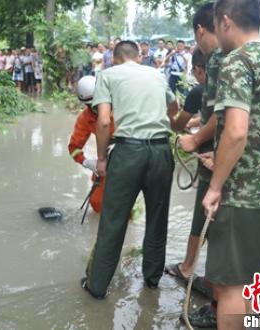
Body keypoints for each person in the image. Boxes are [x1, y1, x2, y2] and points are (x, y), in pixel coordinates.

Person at [202, 0, 260, 328]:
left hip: (241, 197)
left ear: (226, 21)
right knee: (248, 285)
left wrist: (215, 186)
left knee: (229, 288)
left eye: (215, 24)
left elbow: (237, 132)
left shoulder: (236, 62)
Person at [81, 41, 182, 299]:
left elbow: (104, 121)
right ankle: (152, 281)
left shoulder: (107, 75)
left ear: (114, 59)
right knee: (157, 219)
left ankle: (97, 286)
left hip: (128, 153)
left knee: (113, 221)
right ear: (138, 57)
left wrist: (101, 159)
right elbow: (174, 109)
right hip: (161, 151)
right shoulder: (157, 74)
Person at [173, 3, 225, 327]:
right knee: (218, 223)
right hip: (223, 156)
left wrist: (193, 139)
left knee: (204, 217)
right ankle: (201, 273)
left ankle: (191, 269)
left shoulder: (218, 65)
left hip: (215, 159)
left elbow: (222, 118)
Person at [68, 76, 115, 214]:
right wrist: (87, 162)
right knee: (97, 201)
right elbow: (74, 147)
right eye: (91, 105)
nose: (95, 107)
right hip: (106, 158)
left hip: (131, 152)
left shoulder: (121, 106)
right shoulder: (86, 118)